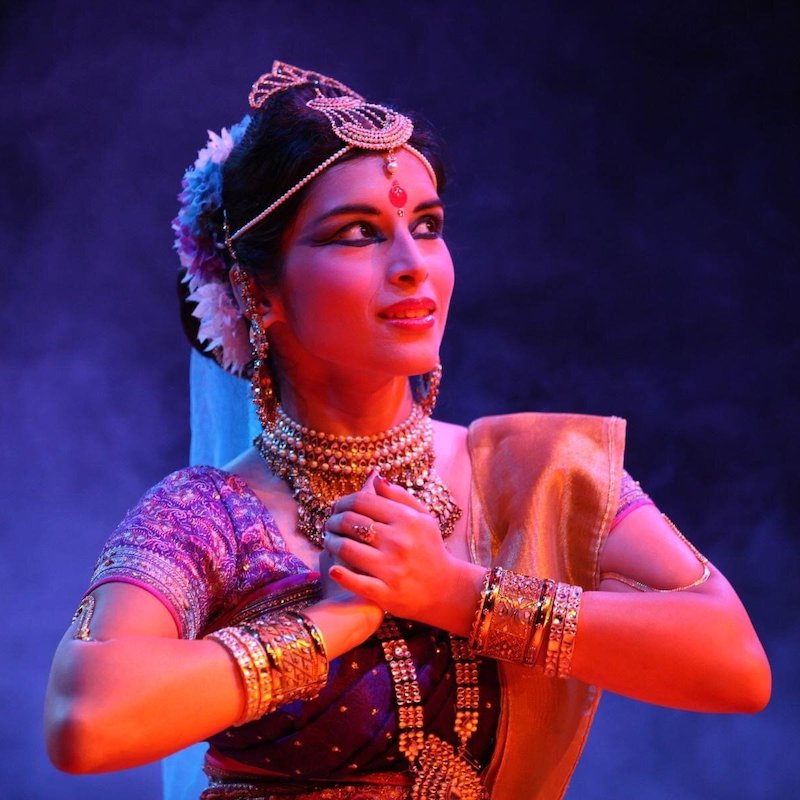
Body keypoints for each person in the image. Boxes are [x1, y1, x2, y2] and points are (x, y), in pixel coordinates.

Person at [45, 61, 771, 800]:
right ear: (256, 292)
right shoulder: (214, 515)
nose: (412, 265)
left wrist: (455, 593)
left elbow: (735, 666)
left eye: (426, 226)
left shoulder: (536, 473)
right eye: (358, 234)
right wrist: (323, 628)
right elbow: (85, 720)